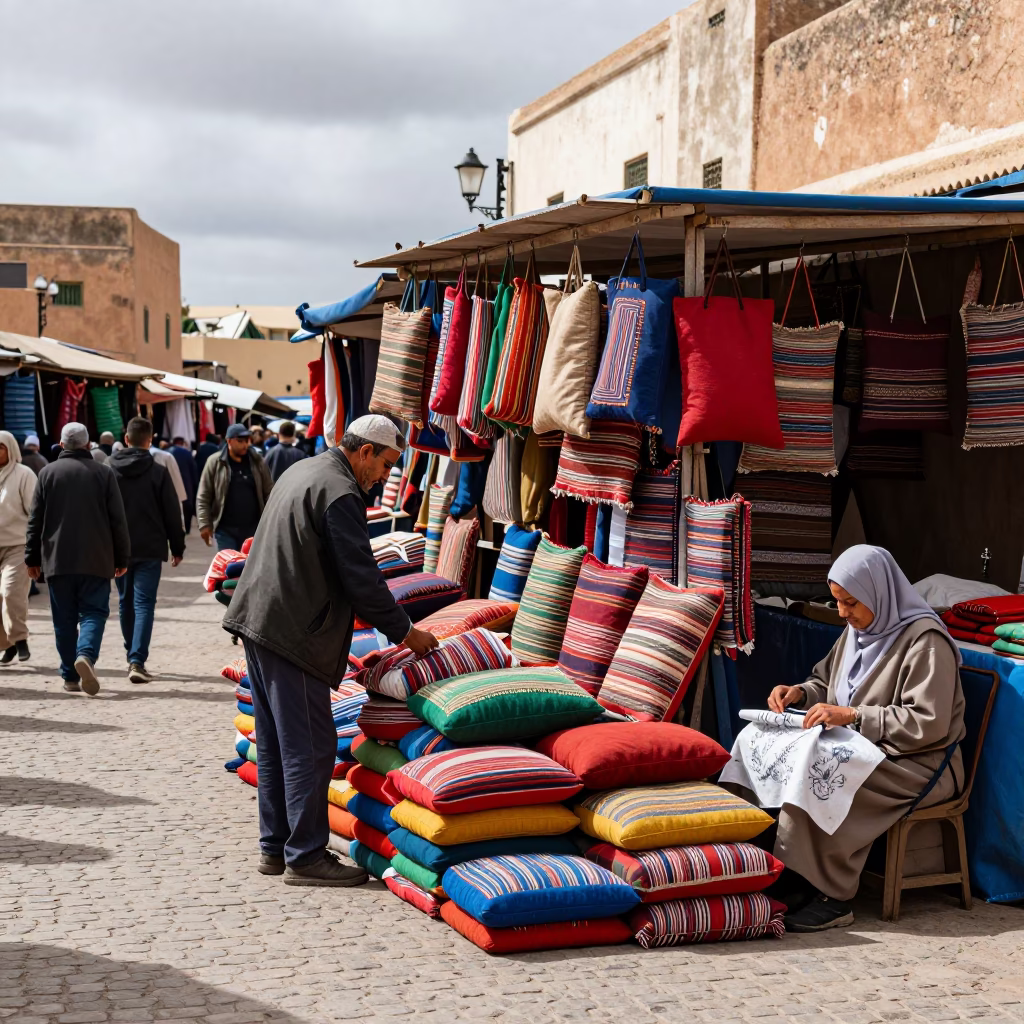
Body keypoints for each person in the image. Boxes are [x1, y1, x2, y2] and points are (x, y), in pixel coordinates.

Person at [223, 415, 439, 886]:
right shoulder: (340, 492)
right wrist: (407, 632)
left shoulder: (304, 469)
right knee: (311, 747)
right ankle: (304, 856)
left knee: (278, 742)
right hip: (291, 631)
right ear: (364, 451)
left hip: (261, 620)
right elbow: (361, 580)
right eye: (385, 464)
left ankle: (274, 847)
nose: (385, 475)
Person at [745, 545, 965, 933]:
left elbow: (928, 723)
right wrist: (799, 692)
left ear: (880, 592)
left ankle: (833, 895)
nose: (843, 613)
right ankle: (788, 875)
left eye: (850, 603)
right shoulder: (857, 631)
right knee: (770, 752)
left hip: (916, 763)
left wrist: (856, 716)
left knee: (821, 779)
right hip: (863, 747)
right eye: (838, 602)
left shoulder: (926, 642)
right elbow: (826, 683)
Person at [25, 422, 130, 695]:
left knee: (64, 619)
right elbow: (118, 521)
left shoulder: (47, 474)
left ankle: (70, 675)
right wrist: (122, 557)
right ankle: (86, 655)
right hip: (96, 558)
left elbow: (35, 521)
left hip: (57, 559)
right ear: (88, 445)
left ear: (61, 445)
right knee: (94, 612)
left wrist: (31, 558)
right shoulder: (103, 474)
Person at [108, 418, 186, 684]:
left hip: (118, 549)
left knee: (124, 602)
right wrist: (178, 547)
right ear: (150, 440)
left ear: (126, 439)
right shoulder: (158, 471)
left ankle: (133, 654)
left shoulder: (110, 470)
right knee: (143, 604)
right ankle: (136, 659)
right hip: (150, 547)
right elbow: (171, 512)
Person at [196, 423, 273, 551]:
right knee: (228, 567)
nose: (245, 445)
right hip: (225, 530)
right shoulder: (215, 462)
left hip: (253, 530)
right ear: (229, 441)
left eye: (247, 440)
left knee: (249, 568)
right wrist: (204, 524)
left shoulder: (258, 461)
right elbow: (204, 495)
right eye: (240, 441)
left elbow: (269, 492)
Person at [0, 431, 37, 664]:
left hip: (17, 546)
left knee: (10, 592)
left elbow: (35, 512)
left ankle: (20, 638)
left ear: (11, 449)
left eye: (0, 447)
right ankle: (8, 644)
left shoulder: (24, 475)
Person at [168, 436, 199, 534]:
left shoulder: (167, 452)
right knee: (187, 505)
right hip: (186, 483)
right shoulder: (187, 453)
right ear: (182, 443)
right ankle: (187, 528)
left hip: (170, 483)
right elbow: (193, 471)